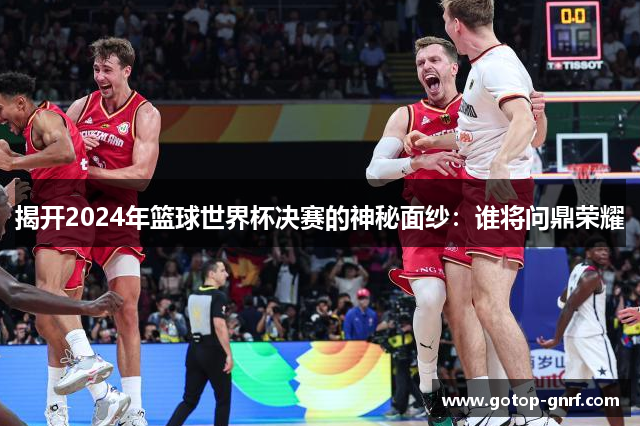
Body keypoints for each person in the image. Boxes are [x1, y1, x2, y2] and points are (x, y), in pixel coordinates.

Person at [405, 1, 551, 422]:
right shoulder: (481, 67)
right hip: (472, 194)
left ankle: (532, 414)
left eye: (444, 20)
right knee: (460, 303)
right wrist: (432, 142)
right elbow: (475, 135)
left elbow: (524, 123)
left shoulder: (498, 66)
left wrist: (502, 163)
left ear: (455, 25)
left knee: (490, 305)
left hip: (498, 196)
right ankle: (487, 408)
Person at [0, 71, 130, 426]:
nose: (2, 119)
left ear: (20, 102)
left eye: (2, 110)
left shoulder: (43, 117)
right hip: (71, 214)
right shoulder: (39, 124)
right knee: (48, 319)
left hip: (63, 211)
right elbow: (62, 156)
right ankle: (93, 400)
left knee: (47, 291)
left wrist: (14, 163)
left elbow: (65, 151)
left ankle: (88, 361)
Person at [66, 36, 161, 426]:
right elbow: (56, 159)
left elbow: (142, 177)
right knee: (60, 305)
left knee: (126, 312)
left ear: (126, 70)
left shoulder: (145, 113)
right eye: (96, 69)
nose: (100, 76)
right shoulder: (79, 108)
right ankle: (73, 405)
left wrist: (87, 170)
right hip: (79, 218)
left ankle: (134, 411)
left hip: (119, 220)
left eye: (107, 69)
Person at [0, 184, 124, 426]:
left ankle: (78, 400)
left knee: (49, 321)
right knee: (47, 322)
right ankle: (96, 390)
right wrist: (86, 307)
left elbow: (18, 293)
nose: (11, 217)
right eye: (6, 212)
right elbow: (15, 293)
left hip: (69, 212)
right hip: (67, 211)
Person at [538, 236, 624, 426]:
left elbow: (563, 300)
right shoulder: (592, 276)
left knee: (573, 389)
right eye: (599, 249)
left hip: (574, 337)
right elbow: (569, 306)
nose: (604, 253)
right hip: (592, 336)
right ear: (588, 253)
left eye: (606, 250)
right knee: (610, 386)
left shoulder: (578, 269)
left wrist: (560, 335)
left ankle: (549, 423)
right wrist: (555, 339)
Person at [166, 260, 233, 426]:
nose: (226, 274)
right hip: (213, 351)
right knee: (223, 400)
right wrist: (229, 354)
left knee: (189, 400)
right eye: (222, 270)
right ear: (211, 274)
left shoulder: (193, 294)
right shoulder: (219, 296)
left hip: (194, 350)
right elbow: (219, 325)